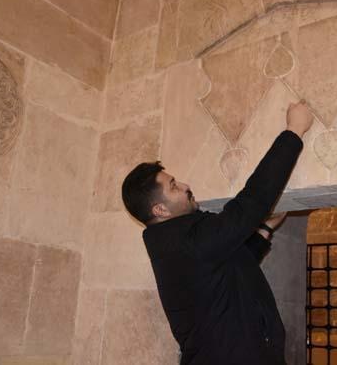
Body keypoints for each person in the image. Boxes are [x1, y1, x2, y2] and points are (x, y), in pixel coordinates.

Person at [121, 101, 314, 365]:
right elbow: (250, 203)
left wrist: (265, 228)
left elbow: (227, 266)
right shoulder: (186, 242)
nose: (186, 186)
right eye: (174, 186)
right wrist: (294, 131)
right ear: (160, 209)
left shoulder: (179, 244)